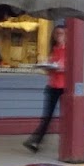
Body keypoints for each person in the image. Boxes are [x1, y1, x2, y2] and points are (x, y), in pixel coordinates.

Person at [22, 23, 67, 154]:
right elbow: (52, 69)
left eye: (60, 33)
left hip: (65, 87)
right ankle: (35, 141)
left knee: (66, 117)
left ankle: (63, 142)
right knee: (47, 116)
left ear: (66, 35)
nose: (57, 36)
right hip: (53, 85)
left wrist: (59, 68)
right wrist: (47, 67)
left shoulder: (69, 50)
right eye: (56, 33)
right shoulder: (54, 49)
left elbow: (69, 68)